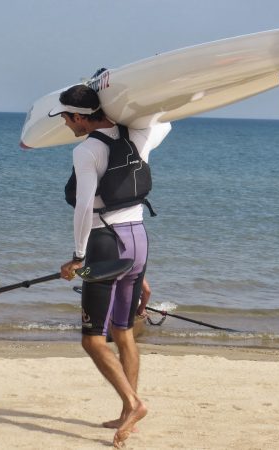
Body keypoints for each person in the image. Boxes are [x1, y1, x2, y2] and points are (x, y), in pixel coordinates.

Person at [50, 84, 170, 448]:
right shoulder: (137, 137)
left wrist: (77, 257)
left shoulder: (86, 150)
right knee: (123, 332)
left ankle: (134, 404)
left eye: (67, 118)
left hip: (106, 244)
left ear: (79, 117)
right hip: (138, 242)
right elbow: (165, 122)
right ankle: (126, 414)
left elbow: (84, 208)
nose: (66, 125)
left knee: (92, 340)